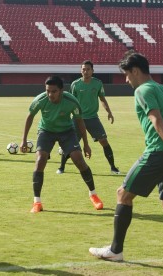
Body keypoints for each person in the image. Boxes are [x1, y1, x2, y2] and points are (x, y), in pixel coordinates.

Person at [89, 51, 163, 267]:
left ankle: (115, 250)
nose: (126, 80)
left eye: (126, 75)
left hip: (159, 152)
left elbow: (155, 119)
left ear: (135, 71)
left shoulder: (142, 90)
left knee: (123, 194)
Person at [20, 76, 104, 213]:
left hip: (67, 131)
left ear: (61, 90)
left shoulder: (71, 101)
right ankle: (37, 202)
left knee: (79, 160)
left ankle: (93, 195)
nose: (50, 94)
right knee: (40, 160)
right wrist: (23, 139)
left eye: (54, 91)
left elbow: (80, 122)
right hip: (46, 131)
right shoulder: (40, 100)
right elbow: (30, 117)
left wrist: (86, 144)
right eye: (48, 91)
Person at [57, 60, 120, 175]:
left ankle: (113, 167)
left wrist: (109, 112)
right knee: (71, 144)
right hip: (77, 118)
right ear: (81, 71)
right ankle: (61, 167)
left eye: (88, 69)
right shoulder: (75, 84)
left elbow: (102, 99)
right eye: (83, 69)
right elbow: (71, 101)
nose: (85, 71)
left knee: (104, 141)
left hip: (92, 118)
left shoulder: (98, 83)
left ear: (92, 71)